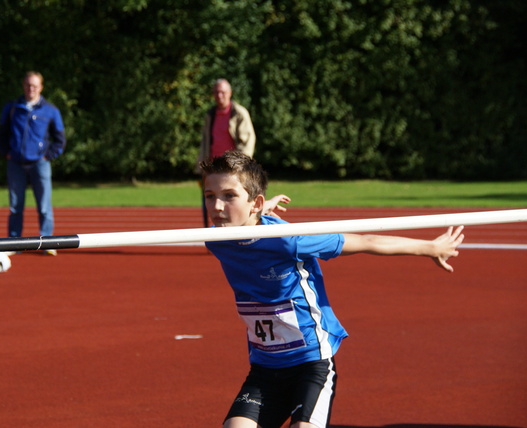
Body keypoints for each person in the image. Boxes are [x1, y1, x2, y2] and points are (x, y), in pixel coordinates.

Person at [200, 151, 465, 428]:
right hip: (265, 368)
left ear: (254, 203)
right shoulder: (214, 239)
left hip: (311, 363)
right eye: (209, 196)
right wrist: (258, 211)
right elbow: (245, 226)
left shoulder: (290, 241)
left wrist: (430, 248)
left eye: (229, 196)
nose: (217, 206)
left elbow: (367, 241)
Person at [0, 71, 66, 255]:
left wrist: (47, 156)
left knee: (44, 205)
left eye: (34, 85)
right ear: (23, 86)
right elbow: (1, 133)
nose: (30, 89)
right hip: (16, 163)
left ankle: (47, 242)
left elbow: (60, 139)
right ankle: (14, 242)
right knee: (15, 205)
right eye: (28, 85)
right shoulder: (12, 107)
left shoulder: (51, 110)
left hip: (40, 163)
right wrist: (6, 153)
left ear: (41, 87)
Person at [197, 78, 256, 227]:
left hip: (234, 169)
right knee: (213, 202)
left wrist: (240, 165)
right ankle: (217, 236)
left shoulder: (239, 113)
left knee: (238, 203)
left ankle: (246, 234)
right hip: (213, 169)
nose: (219, 95)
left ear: (230, 93)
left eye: (223, 92)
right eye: (216, 92)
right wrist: (200, 167)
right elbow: (205, 143)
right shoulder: (210, 115)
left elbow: (248, 141)